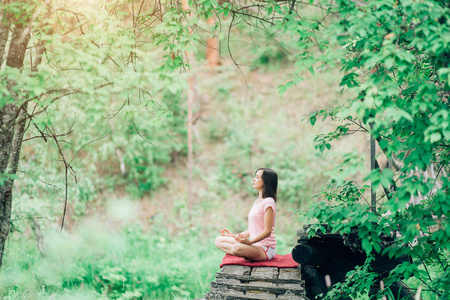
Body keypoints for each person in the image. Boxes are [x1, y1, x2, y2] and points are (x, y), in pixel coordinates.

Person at [215, 167, 278, 261]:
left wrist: (249, 242)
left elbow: (267, 231)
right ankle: (245, 251)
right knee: (218, 240)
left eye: (257, 177)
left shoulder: (268, 202)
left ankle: (242, 251)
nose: (253, 179)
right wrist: (236, 236)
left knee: (237, 248)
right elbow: (254, 228)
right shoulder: (258, 201)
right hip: (253, 244)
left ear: (266, 181)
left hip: (265, 248)